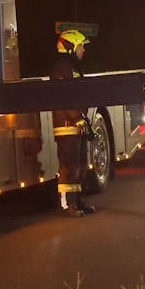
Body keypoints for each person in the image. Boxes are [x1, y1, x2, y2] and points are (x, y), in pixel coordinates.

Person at [49, 29, 97, 216]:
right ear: (70, 47)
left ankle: (77, 202)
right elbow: (64, 97)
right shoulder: (62, 68)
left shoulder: (73, 68)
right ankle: (67, 205)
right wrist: (77, 118)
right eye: (81, 46)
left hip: (76, 126)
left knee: (80, 167)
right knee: (69, 167)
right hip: (66, 126)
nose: (83, 50)